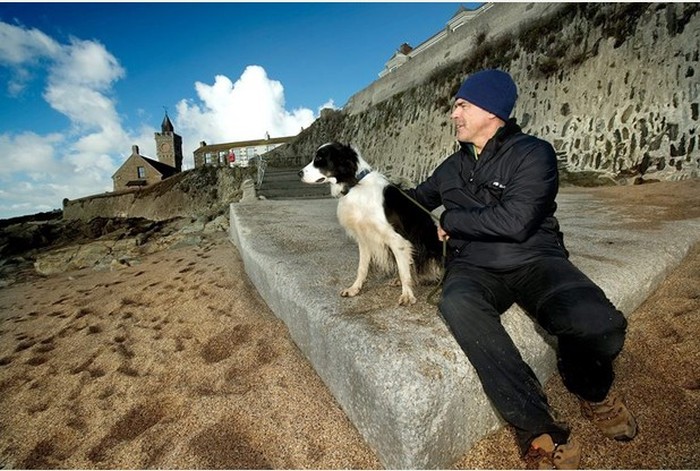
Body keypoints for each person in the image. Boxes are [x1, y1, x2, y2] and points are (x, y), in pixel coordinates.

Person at [408, 69, 637, 469]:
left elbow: (517, 221)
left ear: (491, 110)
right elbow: (412, 202)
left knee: (599, 325)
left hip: (536, 259)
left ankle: (592, 391)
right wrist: (367, 190)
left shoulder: (533, 153)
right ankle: (537, 425)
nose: (453, 114)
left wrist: (453, 221)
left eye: (461, 105)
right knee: (457, 302)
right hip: (474, 267)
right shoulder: (449, 168)